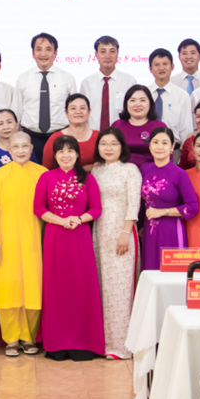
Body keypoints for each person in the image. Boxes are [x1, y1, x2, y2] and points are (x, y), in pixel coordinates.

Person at [35, 135, 104, 361]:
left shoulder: (88, 179)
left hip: (80, 237)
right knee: (56, 287)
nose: (66, 155)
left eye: (70, 150)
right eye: (61, 151)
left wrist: (79, 219)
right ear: (55, 156)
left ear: (77, 154)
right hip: (55, 237)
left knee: (81, 286)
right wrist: (61, 220)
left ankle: (83, 343)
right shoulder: (46, 177)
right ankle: (57, 343)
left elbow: (96, 209)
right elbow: (39, 208)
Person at [0, 132, 47, 356]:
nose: (20, 150)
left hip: (35, 241)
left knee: (33, 288)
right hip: (5, 241)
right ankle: (11, 339)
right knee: (8, 288)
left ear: (31, 149)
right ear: (8, 150)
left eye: (24, 146)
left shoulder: (42, 174)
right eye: (15, 147)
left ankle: (28, 338)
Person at [90, 128, 141, 360]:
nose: (108, 148)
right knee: (102, 286)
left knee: (120, 289)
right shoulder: (96, 170)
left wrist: (125, 232)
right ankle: (102, 342)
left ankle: (121, 345)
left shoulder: (130, 170)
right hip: (99, 232)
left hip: (122, 232)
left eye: (113, 144)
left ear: (122, 147)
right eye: (103, 144)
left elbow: (134, 203)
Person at [140, 127, 199, 270]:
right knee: (150, 271)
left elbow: (192, 206)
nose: (159, 147)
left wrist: (162, 212)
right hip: (149, 231)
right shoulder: (143, 170)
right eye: (155, 142)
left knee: (171, 274)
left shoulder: (179, 174)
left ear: (172, 147)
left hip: (171, 231)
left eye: (165, 143)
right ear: (150, 146)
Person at [14, 32, 77, 160]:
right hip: (30, 137)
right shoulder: (23, 78)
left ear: (55, 53)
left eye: (48, 49)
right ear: (33, 53)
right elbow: (16, 111)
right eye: (39, 49)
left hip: (60, 136)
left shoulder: (67, 78)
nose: (43, 54)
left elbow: (74, 109)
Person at [80, 35, 137, 133]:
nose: (108, 56)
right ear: (96, 54)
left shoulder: (129, 81)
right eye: (103, 52)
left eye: (112, 51)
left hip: (121, 135)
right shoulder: (87, 83)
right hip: (93, 135)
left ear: (117, 53)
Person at [111, 85, 167, 168]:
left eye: (142, 100)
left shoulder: (159, 126)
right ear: (126, 104)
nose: (137, 104)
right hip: (120, 172)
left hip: (152, 172)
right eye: (132, 100)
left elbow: (167, 156)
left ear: (150, 103)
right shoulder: (117, 125)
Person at [146, 49, 193, 145]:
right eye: (157, 65)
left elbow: (186, 129)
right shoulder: (144, 94)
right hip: (146, 146)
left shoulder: (182, 95)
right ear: (150, 69)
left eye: (165, 64)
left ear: (172, 67)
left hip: (173, 148)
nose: (161, 68)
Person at [41, 94, 99, 170]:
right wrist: (86, 168)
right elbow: (46, 170)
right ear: (66, 113)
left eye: (82, 108)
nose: (78, 111)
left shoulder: (99, 136)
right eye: (73, 108)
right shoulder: (55, 138)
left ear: (89, 112)